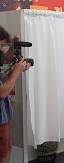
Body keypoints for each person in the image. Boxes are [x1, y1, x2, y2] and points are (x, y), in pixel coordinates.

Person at [0, 25, 31, 163]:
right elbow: (2, 92)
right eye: (1, 46)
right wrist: (17, 72)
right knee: (3, 154)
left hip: (3, 116)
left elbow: (2, 83)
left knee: (6, 150)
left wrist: (15, 71)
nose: (2, 51)